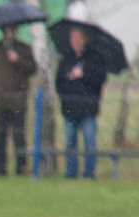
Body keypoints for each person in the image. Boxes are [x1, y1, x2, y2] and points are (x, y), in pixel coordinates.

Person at [0, 24, 36, 176]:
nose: (9, 33)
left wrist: (18, 59)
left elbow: (32, 69)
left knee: (19, 135)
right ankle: (0, 168)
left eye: (12, 30)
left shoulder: (24, 49)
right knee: (1, 135)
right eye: (6, 30)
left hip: (19, 100)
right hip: (0, 100)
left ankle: (21, 167)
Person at [55, 27, 106, 179]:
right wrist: (68, 84)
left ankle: (89, 173)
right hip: (69, 108)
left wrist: (83, 75)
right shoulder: (66, 59)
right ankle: (71, 173)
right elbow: (59, 83)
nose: (75, 42)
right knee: (70, 143)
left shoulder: (94, 59)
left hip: (88, 109)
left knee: (90, 143)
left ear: (84, 39)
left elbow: (100, 80)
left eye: (78, 38)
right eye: (72, 38)